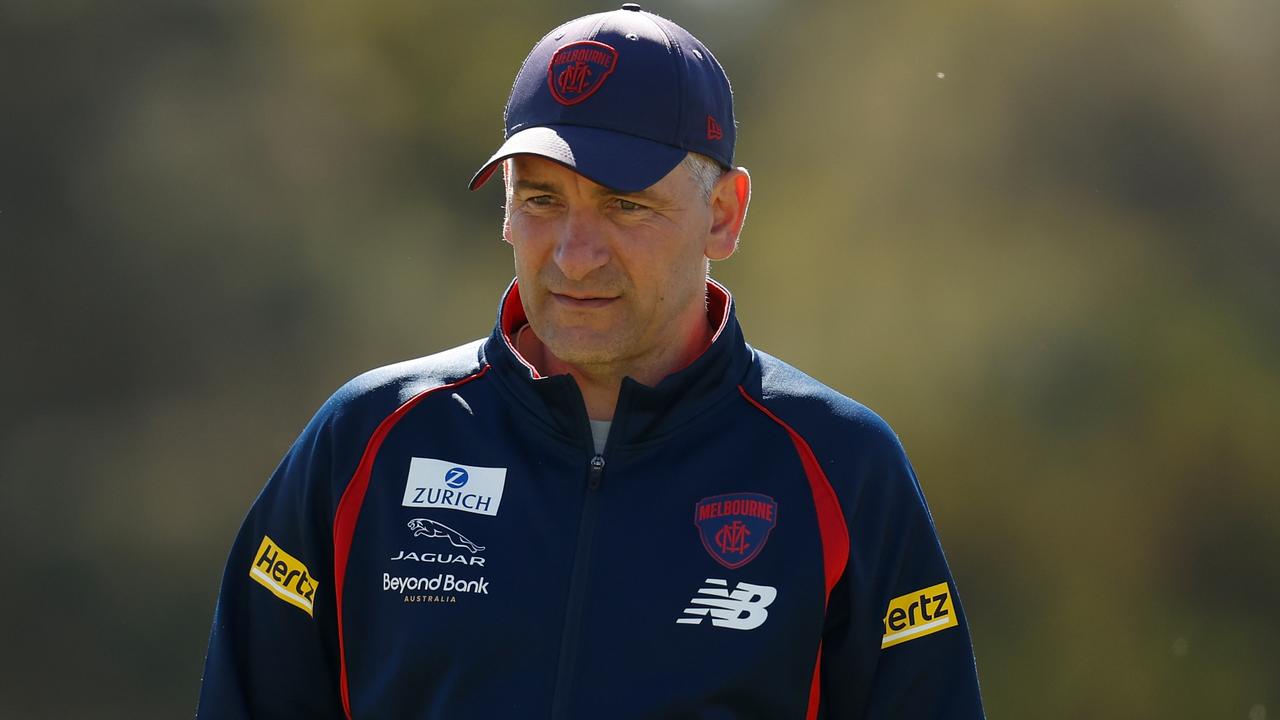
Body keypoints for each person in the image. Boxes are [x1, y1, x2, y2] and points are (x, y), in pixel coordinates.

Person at [196, 4, 985, 718]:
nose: (574, 258)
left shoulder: (843, 467)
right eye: (541, 199)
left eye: (624, 204)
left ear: (723, 215)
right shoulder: (366, 440)